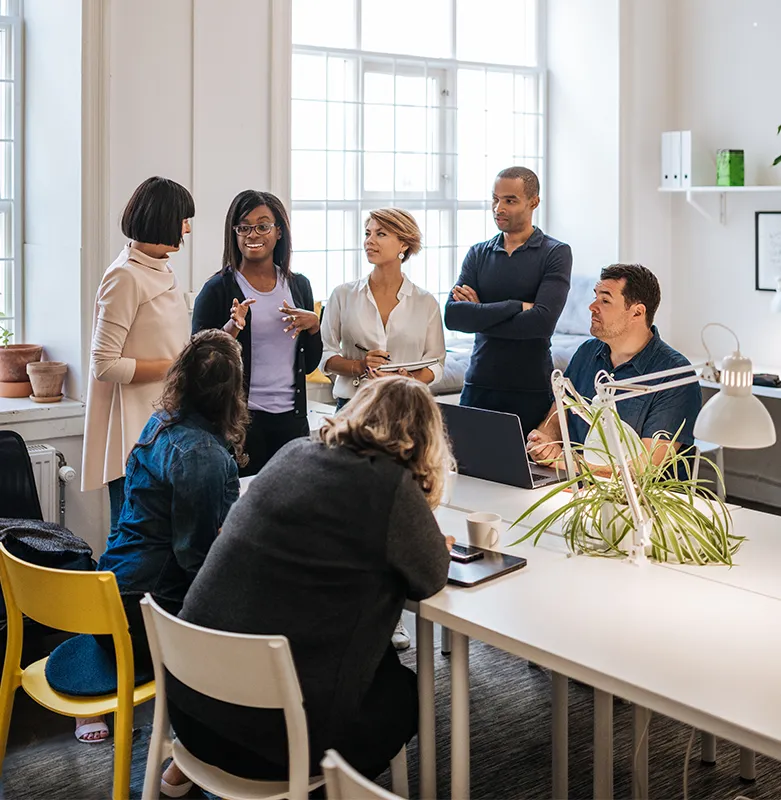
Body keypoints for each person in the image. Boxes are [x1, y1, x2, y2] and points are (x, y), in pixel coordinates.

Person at [160, 377, 454, 796]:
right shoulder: (391, 487)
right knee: (405, 693)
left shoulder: (293, 452)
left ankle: (181, 773)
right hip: (273, 745)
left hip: (190, 712)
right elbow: (431, 577)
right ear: (422, 441)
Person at [51, 330, 247, 745]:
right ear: (232, 394)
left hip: (106, 603)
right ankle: (203, 747)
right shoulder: (202, 456)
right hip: (140, 617)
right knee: (256, 613)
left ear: (181, 378)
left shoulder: (159, 424)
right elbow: (194, 558)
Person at [82, 176, 194, 549]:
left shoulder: (161, 267)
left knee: (159, 542)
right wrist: (175, 366)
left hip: (163, 421)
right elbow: (104, 364)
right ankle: (119, 609)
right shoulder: (125, 276)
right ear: (164, 220)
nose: (188, 229)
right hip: (132, 429)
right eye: (183, 219)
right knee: (131, 540)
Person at [192, 190, 323, 476]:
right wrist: (230, 330)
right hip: (241, 424)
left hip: (293, 421)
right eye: (244, 227)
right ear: (234, 233)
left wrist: (314, 326)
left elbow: (310, 364)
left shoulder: (299, 286)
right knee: (245, 510)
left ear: (278, 233)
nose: (253, 234)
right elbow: (196, 367)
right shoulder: (218, 289)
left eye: (263, 226)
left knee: (292, 508)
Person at [526, 264, 702, 470]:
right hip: (571, 485)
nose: (592, 307)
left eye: (605, 300)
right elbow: (558, 415)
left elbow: (645, 466)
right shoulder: (586, 353)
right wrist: (545, 441)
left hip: (636, 499)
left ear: (637, 312)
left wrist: (568, 463)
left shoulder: (674, 376)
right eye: (595, 297)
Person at [444, 166, 572, 435]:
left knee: (528, 474)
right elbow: (453, 317)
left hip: (530, 389)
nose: (498, 208)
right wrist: (516, 306)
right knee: (466, 470)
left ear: (534, 202)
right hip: (478, 385)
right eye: (495, 199)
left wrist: (479, 312)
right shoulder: (478, 253)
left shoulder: (556, 253)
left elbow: (541, 323)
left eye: (510, 200)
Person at [320, 208, 446, 413]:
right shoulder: (342, 295)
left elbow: (436, 364)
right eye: (367, 233)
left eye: (380, 234)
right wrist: (360, 366)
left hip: (406, 407)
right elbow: (325, 355)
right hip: (353, 407)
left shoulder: (426, 302)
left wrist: (408, 380)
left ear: (404, 243)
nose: (369, 240)